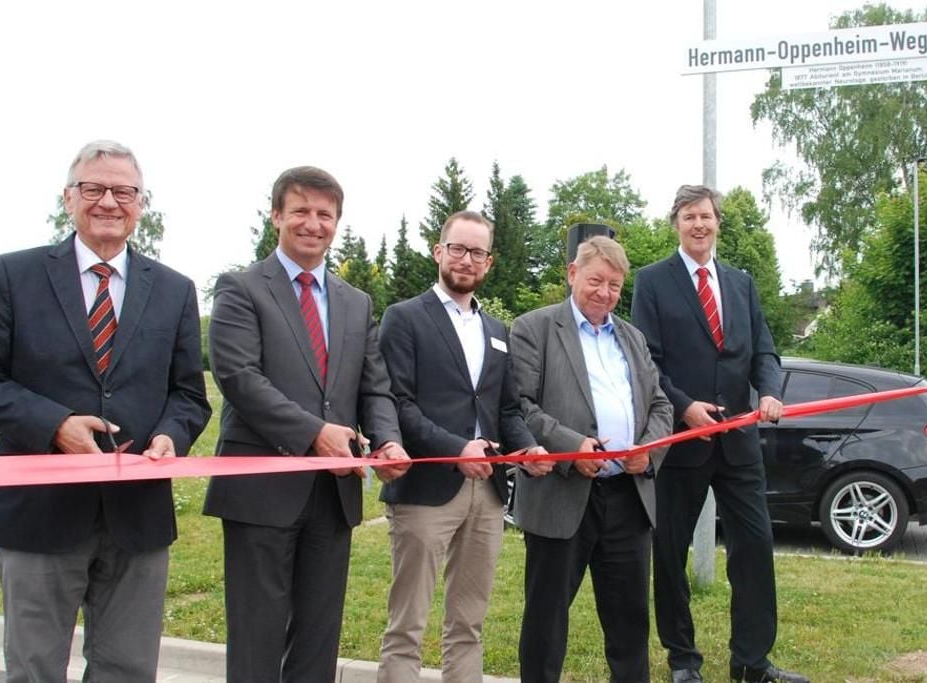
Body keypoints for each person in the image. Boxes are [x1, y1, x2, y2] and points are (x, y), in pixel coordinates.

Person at [0, 140, 212, 682]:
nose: (109, 201)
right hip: (39, 515)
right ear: (69, 198)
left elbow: (188, 394)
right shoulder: (13, 275)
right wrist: (54, 426)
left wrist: (171, 436)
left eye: (124, 191)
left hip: (138, 518)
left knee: (127, 670)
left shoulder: (175, 290)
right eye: (94, 188)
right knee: (34, 669)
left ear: (140, 203)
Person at [203, 165, 410, 682]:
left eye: (325, 214)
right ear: (276, 215)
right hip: (260, 490)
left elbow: (374, 387)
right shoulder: (240, 288)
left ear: (337, 222)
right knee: (257, 637)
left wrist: (387, 441)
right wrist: (315, 434)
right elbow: (239, 377)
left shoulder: (356, 302)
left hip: (332, 495)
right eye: (300, 211)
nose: (313, 224)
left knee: (318, 638)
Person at [631, 185, 809, 683]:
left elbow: (764, 352)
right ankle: (683, 660)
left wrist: (769, 391)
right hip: (682, 442)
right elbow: (647, 360)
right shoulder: (652, 282)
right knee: (670, 554)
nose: (699, 225)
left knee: (755, 547)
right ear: (676, 223)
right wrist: (684, 407)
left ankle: (752, 661)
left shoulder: (741, 283)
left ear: (717, 223)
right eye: (689, 216)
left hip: (739, 441)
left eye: (706, 216)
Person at [376, 210, 550, 682]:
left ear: (489, 262)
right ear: (439, 251)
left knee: (468, 624)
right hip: (425, 488)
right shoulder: (404, 318)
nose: (466, 259)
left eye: (477, 252)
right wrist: (458, 448)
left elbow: (507, 410)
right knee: (407, 624)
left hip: (487, 492)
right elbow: (397, 403)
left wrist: (528, 449)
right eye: (457, 248)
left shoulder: (496, 331)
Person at [509, 236, 674, 683]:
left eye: (615, 286)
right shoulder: (534, 328)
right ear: (572, 274)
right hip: (561, 496)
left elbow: (661, 404)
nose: (604, 293)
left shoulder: (632, 337)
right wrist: (571, 447)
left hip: (628, 498)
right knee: (546, 621)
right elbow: (520, 406)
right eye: (596, 281)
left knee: (630, 624)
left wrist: (648, 451)